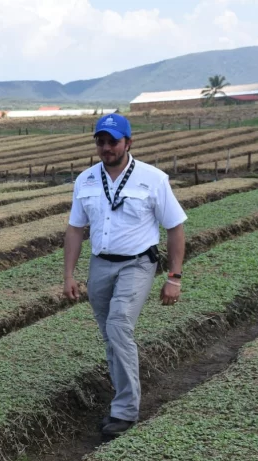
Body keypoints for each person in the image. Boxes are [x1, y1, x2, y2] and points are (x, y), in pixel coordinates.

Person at [63, 113, 186, 437]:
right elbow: (76, 229)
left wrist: (174, 277)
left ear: (128, 143)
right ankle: (122, 396)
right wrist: (69, 275)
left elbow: (175, 227)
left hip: (137, 263)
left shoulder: (153, 178)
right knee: (111, 336)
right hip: (100, 265)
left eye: (113, 141)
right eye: (100, 141)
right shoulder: (86, 180)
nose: (106, 147)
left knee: (118, 325)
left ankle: (125, 411)